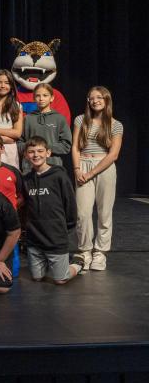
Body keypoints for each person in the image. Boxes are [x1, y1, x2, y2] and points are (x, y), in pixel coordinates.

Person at [72, 86, 122, 271]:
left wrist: (91, 173)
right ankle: (85, 251)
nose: (95, 101)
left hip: (104, 167)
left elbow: (113, 154)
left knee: (104, 213)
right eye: (91, 98)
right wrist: (77, 169)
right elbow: (76, 147)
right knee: (82, 213)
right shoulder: (80, 120)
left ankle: (100, 253)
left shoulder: (116, 125)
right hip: (83, 164)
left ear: (106, 99)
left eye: (99, 97)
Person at [22, 137, 82, 283]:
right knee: (37, 278)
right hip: (35, 239)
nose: (36, 155)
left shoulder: (59, 175)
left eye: (40, 151)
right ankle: (50, 263)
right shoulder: (26, 180)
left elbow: (70, 204)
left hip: (55, 237)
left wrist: (67, 226)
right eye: (31, 152)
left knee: (61, 280)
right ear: (26, 155)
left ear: (48, 153)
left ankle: (78, 263)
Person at [18, 83, 72, 173]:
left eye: (45, 95)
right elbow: (19, 143)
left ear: (52, 98)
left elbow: (66, 145)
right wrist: (31, 149)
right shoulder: (27, 118)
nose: (41, 99)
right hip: (29, 167)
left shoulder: (59, 119)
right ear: (34, 98)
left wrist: (44, 148)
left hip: (53, 166)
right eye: (38, 96)